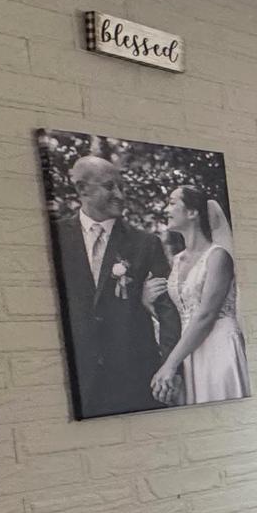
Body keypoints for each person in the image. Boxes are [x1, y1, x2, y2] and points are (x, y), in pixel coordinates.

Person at [53, 154, 176, 417]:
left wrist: (168, 367)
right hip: (77, 381)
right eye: (110, 186)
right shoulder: (56, 238)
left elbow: (169, 312)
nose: (120, 194)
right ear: (82, 189)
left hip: (135, 377)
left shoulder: (145, 244)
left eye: (122, 187)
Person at [150, 184, 249, 406]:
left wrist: (169, 365)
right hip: (189, 351)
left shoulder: (218, 257)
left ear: (193, 212)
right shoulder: (177, 261)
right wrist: (147, 303)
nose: (166, 209)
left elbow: (205, 316)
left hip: (219, 347)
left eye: (172, 203)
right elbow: (178, 313)